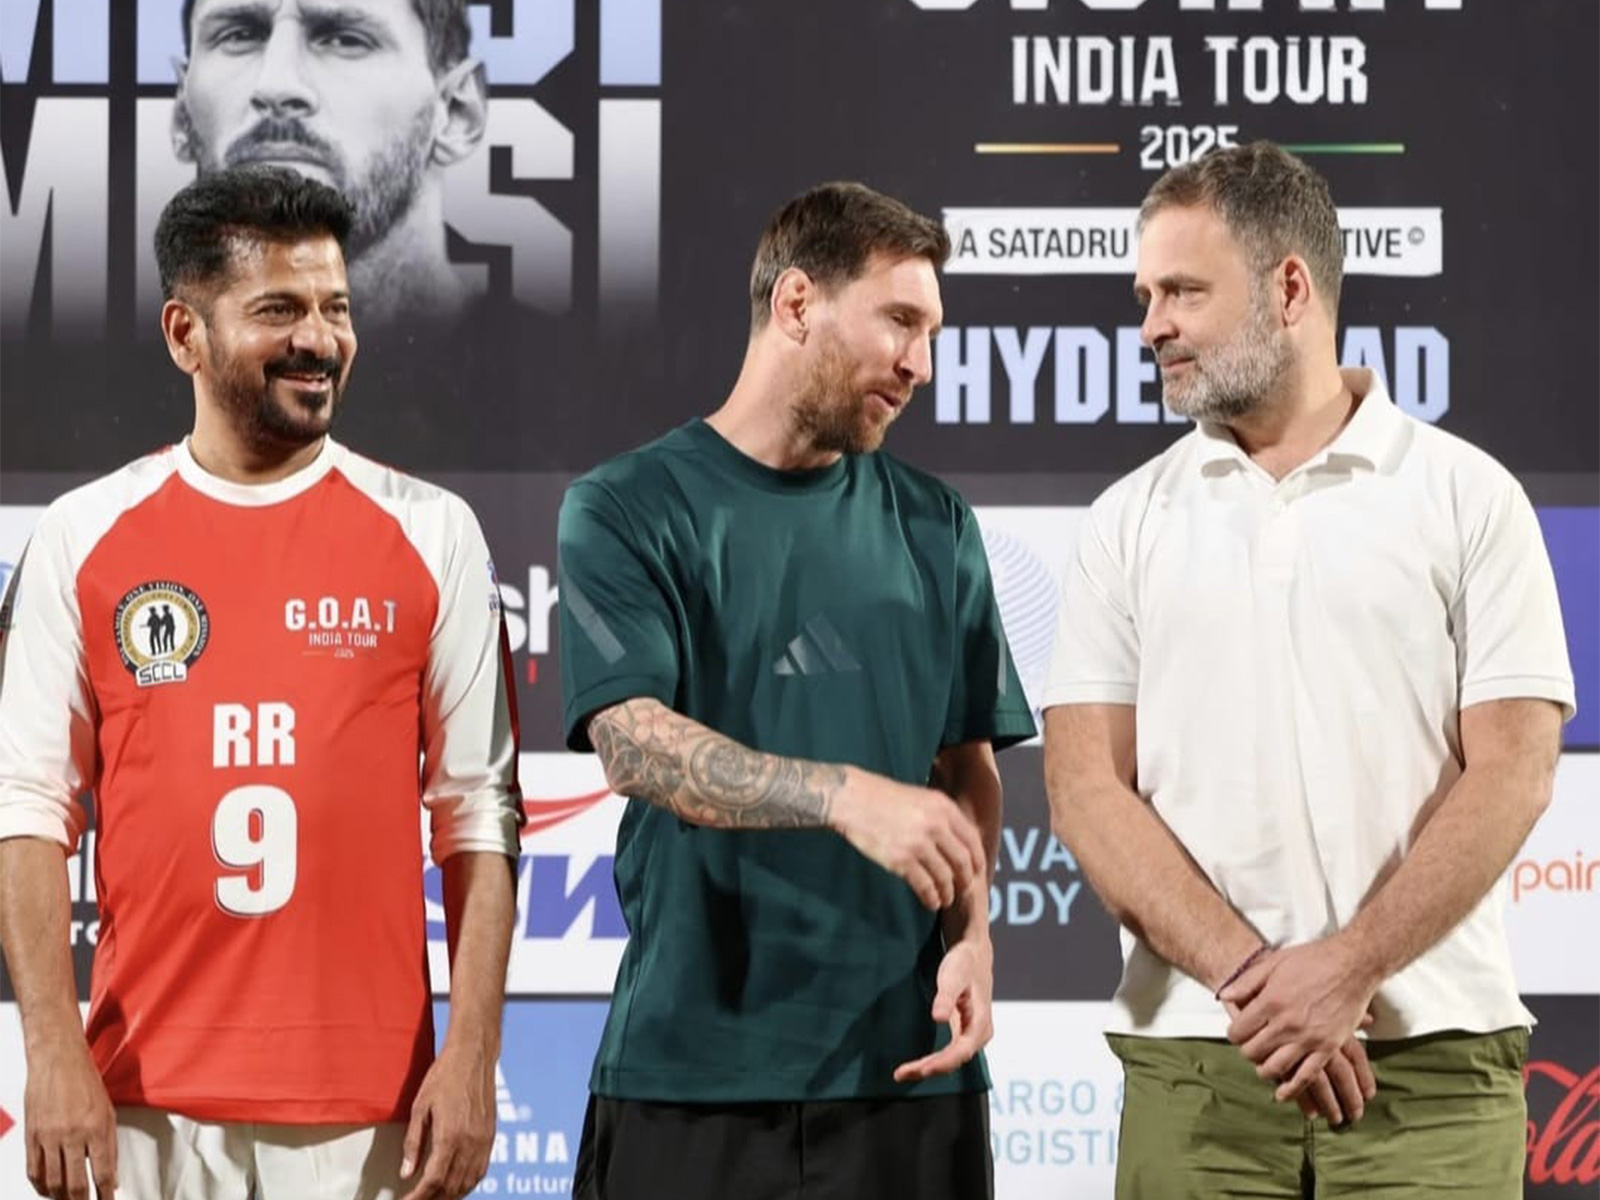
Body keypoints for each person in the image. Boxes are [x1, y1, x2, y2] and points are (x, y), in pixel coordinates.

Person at [1041, 141, 1574, 1199]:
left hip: (1429, 1068)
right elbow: (1084, 790)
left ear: (1290, 287)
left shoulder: (1470, 498)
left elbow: (1514, 770)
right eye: (1146, 294)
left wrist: (1350, 970)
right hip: (1198, 1067)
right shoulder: (1121, 523)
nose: (1151, 325)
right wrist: (1260, 983)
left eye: (1182, 291)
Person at [0, 166, 523, 1200]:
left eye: (335, 307)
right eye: (277, 309)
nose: (319, 339)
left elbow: (477, 822)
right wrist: (51, 1055)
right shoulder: (81, 535)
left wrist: (471, 1060)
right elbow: (28, 813)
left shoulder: (432, 533)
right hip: (139, 1103)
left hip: (371, 1109)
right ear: (185, 335)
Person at [557, 180, 1037, 1200]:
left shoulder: (935, 523)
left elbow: (967, 766)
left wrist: (974, 939)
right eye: (900, 323)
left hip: (908, 1083)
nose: (920, 365)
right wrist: (845, 795)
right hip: (691, 1076)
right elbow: (632, 744)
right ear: (795, 306)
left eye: (932, 332)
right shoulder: (627, 506)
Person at [172, 0, 488, 325]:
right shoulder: (124, 372)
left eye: (345, 40)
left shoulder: (533, 367)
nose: (275, 85)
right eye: (239, 35)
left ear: (455, 113)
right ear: (182, 112)